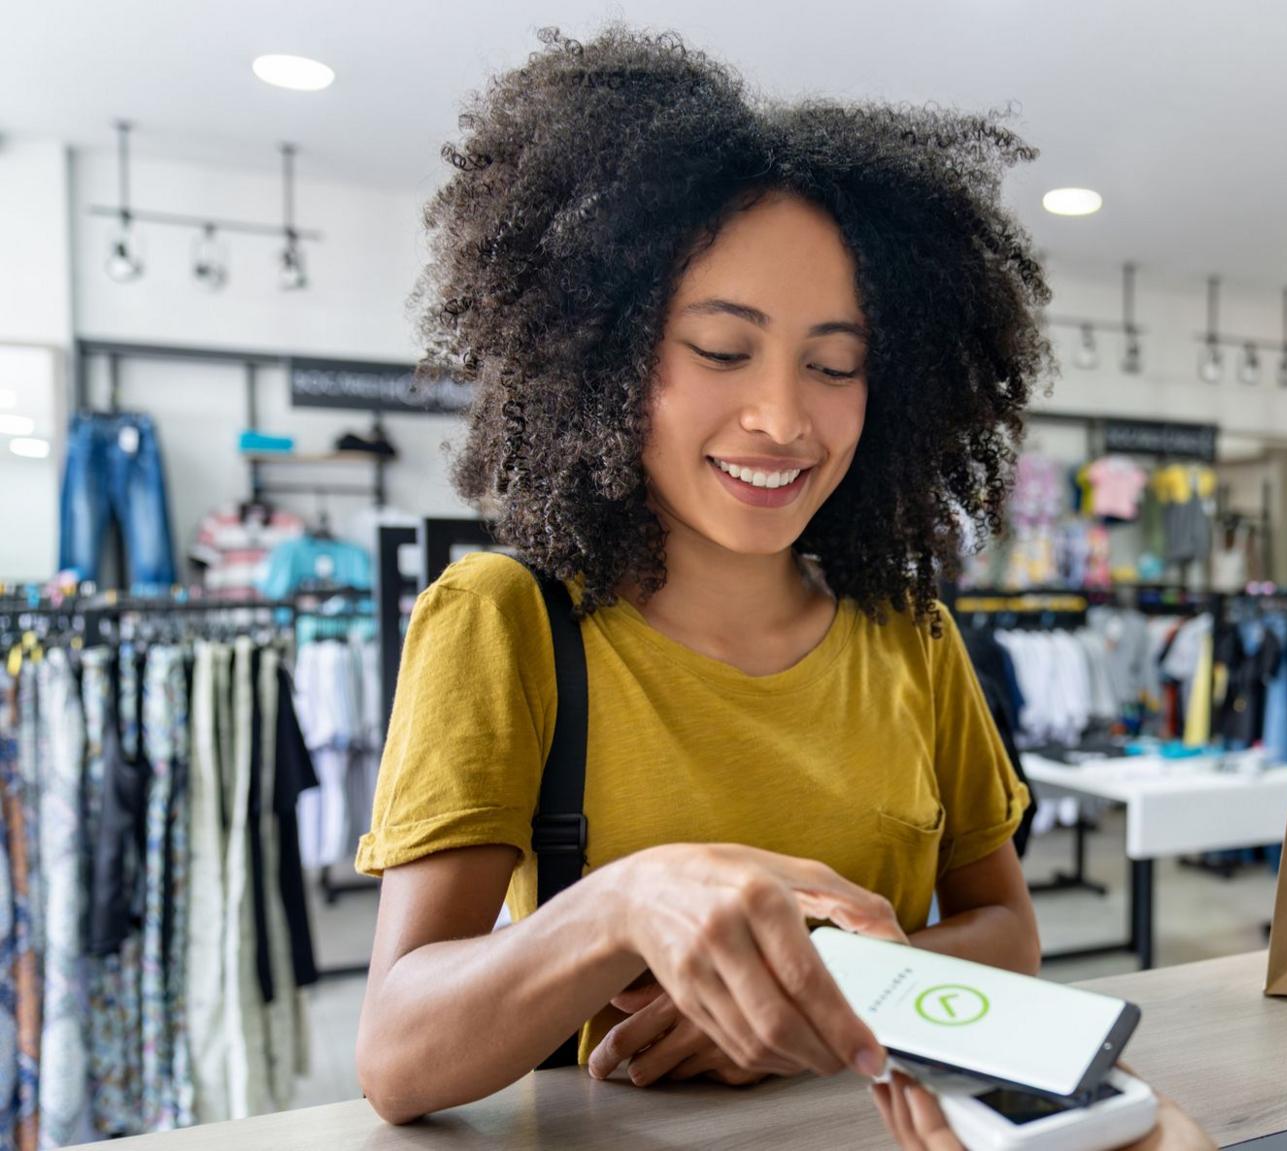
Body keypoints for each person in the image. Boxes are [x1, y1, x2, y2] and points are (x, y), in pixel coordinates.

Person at [352, 25, 1212, 1151]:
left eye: (834, 363)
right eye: (720, 348)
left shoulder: (909, 632)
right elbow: (399, 1052)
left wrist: (811, 990)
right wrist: (625, 902)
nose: (782, 416)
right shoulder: (508, 621)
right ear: (605, 356)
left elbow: (1006, 931)